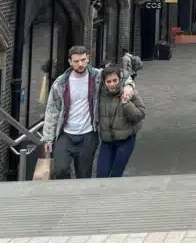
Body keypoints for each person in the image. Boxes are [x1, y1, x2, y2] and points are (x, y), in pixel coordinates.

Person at [42, 45, 134, 180]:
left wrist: (128, 87)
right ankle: (67, 194)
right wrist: (48, 138)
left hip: (88, 135)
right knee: (60, 169)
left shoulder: (98, 76)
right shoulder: (60, 83)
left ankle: (79, 199)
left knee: (84, 175)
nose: (80, 64)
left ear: (88, 59)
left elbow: (124, 76)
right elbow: (52, 110)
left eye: (83, 60)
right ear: (70, 62)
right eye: (76, 61)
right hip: (65, 134)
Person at [95, 66, 146, 178]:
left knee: (116, 175)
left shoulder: (129, 92)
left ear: (119, 79)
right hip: (107, 141)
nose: (112, 84)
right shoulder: (100, 94)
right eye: (108, 81)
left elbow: (140, 114)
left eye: (115, 80)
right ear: (104, 82)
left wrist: (126, 104)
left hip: (126, 140)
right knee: (101, 174)